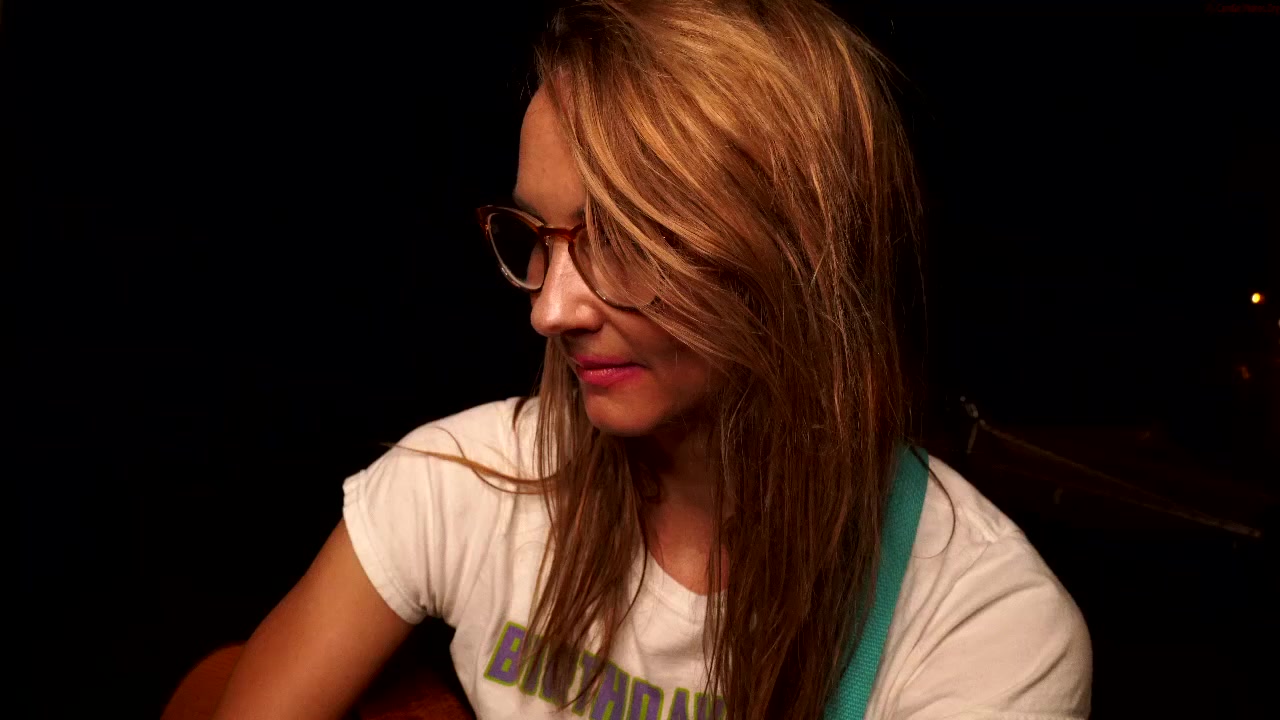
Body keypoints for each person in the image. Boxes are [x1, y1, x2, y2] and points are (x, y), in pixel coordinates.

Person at [211, 1, 1091, 718]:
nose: (551, 310)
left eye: (627, 238)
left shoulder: (982, 626)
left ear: (796, 254)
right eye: (540, 237)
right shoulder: (460, 484)